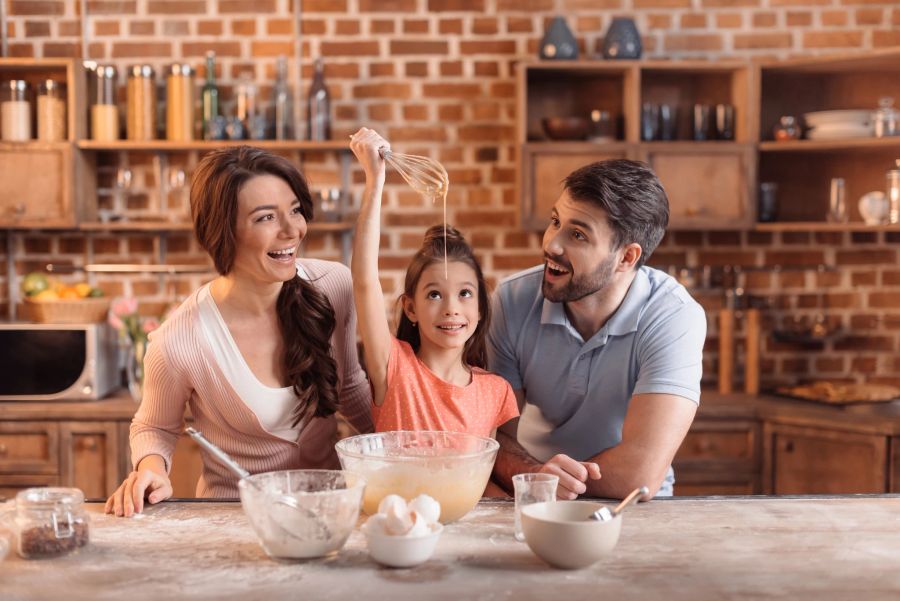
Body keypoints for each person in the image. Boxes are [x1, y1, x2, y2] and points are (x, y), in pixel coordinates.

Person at [105, 146, 373, 517]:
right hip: (233, 519)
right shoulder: (180, 341)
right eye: (266, 218)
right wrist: (150, 471)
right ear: (223, 232)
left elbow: (351, 387)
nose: (292, 230)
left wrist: (399, 450)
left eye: (295, 210)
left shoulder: (334, 286)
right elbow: (154, 426)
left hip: (327, 511)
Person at [487, 159, 706, 501]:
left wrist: (548, 481)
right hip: (536, 497)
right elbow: (491, 437)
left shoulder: (674, 316)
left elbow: (640, 472)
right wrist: (538, 477)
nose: (551, 245)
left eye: (577, 234)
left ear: (626, 257)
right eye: (555, 221)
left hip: (630, 508)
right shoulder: (512, 300)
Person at [349, 127, 518, 439]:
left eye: (465, 293)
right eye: (434, 294)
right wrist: (375, 182)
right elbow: (364, 281)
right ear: (410, 308)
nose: (452, 308)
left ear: (480, 307)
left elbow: (484, 473)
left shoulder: (497, 391)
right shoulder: (394, 368)